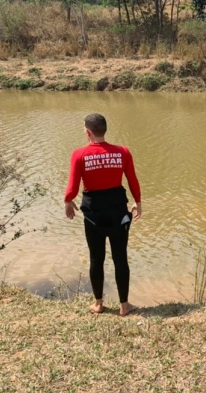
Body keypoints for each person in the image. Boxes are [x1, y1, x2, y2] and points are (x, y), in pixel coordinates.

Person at [64, 113, 142, 317]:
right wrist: (138, 202)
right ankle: (124, 306)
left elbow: (73, 186)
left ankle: (98, 304)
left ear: (88, 132)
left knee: (96, 259)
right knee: (120, 258)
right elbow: (132, 180)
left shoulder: (79, 154)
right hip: (118, 211)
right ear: (104, 130)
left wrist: (68, 200)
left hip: (93, 214)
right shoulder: (123, 152)